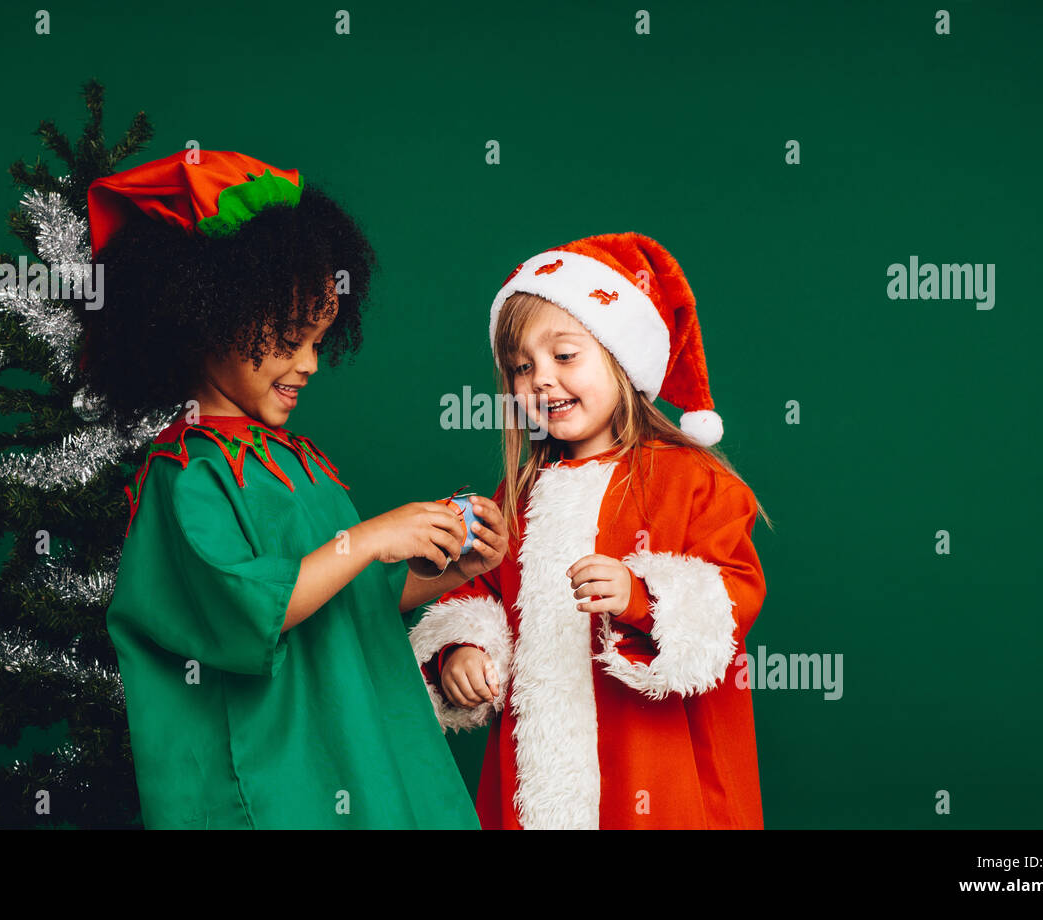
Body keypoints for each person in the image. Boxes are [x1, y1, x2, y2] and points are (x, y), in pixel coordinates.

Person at [83, 149, 499, 828]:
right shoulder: (184, 475)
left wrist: (451, 572)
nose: (308, 363)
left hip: (361, 758)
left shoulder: (300, 462)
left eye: (319, 340)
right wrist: (370, 537)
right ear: (203, 316)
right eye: (288, 338)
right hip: (278, 787)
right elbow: (251, 609)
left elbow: (350, 599)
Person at [409, 232, 773, 829]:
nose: (541, 381)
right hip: (534, 777)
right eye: (521, 367)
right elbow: (479, 593)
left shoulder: (692, 481)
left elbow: (731, 599)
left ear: (620, 355)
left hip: (655, 768)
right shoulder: (519, 495)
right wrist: (462, 648)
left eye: (564, 355)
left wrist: (642, 596)